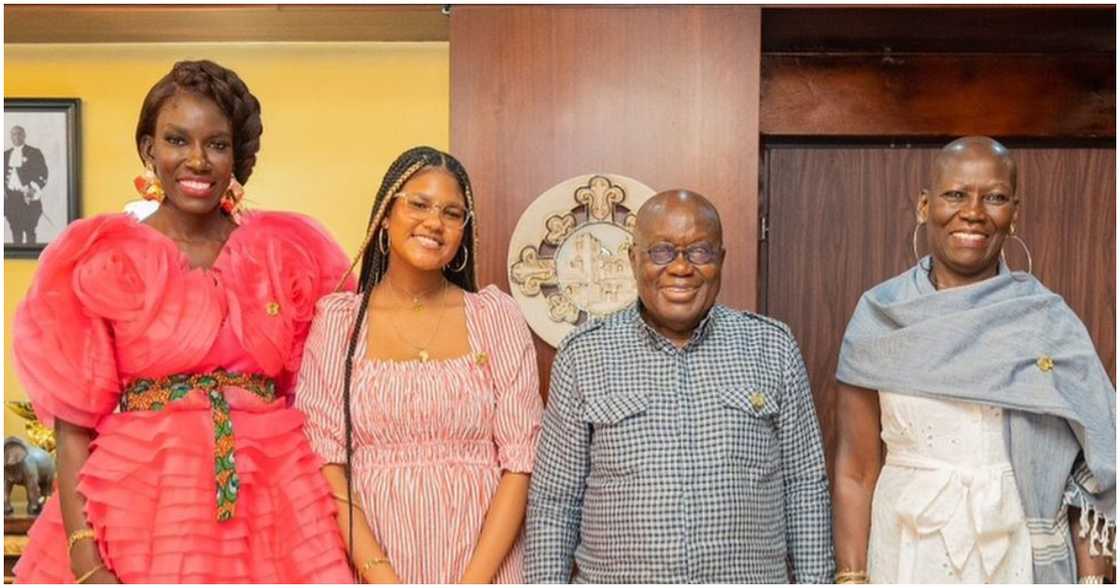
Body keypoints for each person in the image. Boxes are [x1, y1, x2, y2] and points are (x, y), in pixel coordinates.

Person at [11, 59, 355, 583]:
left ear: (236, 155)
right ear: (149, 149)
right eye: (177, 140)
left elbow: (325, 393)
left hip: (275, 509)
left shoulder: (290, 253)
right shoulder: (103, 255)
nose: (197, 160)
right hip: (141, 512)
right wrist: (84, 555)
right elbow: (74, 421)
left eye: (216, 144)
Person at [832, 136, 1116, 584]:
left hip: (1016, 550)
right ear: (925, 205)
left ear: (1014, 213)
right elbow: (856, 469)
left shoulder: (1047, 321)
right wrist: (852, 578)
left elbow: (1092, 469)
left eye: (996, 197)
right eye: (955, 194)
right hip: (906, 549)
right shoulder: (880, 316)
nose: (974, 212)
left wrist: (1093, 581)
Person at [524, 190, 834, 583]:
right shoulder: (584, 355)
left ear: (721, 260)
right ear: (633, 259)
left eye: (700, 252)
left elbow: (805, 487)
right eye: (661, 252)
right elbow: (554, 502)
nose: (681, 267)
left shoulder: (772, 346)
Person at [295, 146, 543, 583]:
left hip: (486, 567)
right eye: (419, 204)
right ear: (386, 216)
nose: (435, 222)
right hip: (370, 564)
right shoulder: (338, 323)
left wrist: (474, 582)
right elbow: (324, 460)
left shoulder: (494, 316)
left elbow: (521, 460)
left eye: (452, 213)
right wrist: (381, 576)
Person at [5, 124, 49, 244]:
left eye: (19, 133)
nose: (17, 136)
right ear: (10, 137)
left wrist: (33, 189)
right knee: (15, 228)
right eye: (14, 134)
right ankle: (16, 254)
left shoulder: (34, 152)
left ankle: (31, 253)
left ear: (24, 136)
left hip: (28, 196)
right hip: (11, 198)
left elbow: (43, 173)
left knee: (30, 228)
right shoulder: (5, 155)